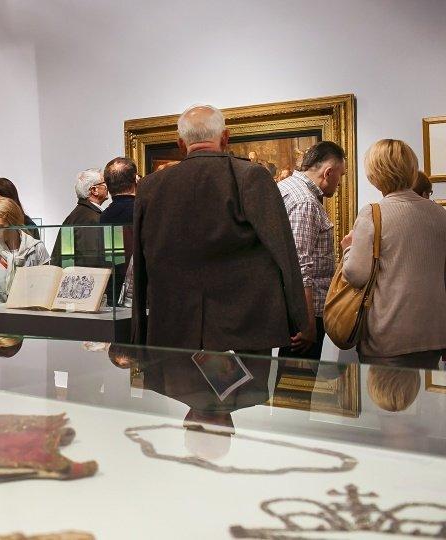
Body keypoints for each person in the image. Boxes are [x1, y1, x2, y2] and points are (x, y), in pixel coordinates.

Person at [132, 104, 308, 354]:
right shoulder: (251, 177)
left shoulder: (150, 187)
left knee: (176, 382)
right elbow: (283, 250)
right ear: (225, 137)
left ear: (181, 143)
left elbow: (140, 262)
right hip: (244, 330)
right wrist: (300, 318)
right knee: (247, 383)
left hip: (172, 329)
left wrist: (138, 330)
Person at [341, 139, 446, 363]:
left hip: (388, 333)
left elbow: (356, 275)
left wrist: (348, 249)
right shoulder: (440, 214)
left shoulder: (373, 213)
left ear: (375, 173)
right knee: (426, 386)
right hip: (433, 333)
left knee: (383, 387)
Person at [277, 141, 346, 360]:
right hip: (304, 312)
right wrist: (307, 325)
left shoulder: (286, 187)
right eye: (341, 175)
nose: (340, 182)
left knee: (290, 377)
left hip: (289, 308)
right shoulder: (305, 202)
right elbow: (300, 266)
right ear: (328, 172)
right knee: (298, 378)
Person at [0, 197, 49, 304]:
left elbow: (47, 291)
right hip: (1, 314)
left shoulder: (36, 248)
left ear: (12, 223)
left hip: (33, 311)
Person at [100, 157, 138, 307]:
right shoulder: (141, 210)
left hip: (112, 286)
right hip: (138, 290)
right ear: (135, 179)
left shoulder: (105, 215)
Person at [50, 168, 107, 268]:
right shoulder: (90, 218)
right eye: (105, 183)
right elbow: (91, 258)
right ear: (94, 190)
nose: (108, 187)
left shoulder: (80, 214)